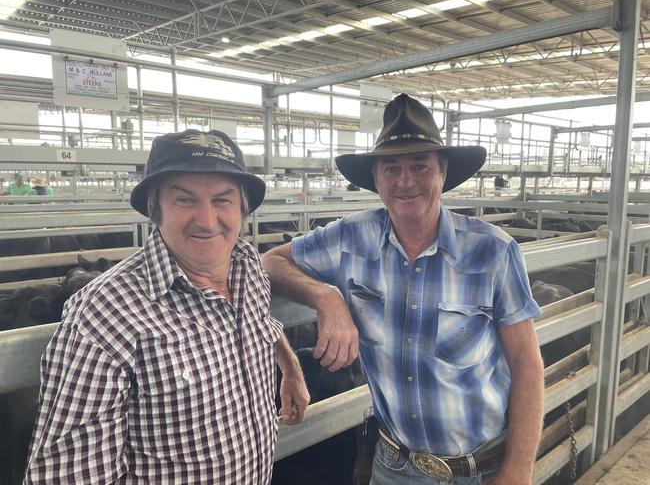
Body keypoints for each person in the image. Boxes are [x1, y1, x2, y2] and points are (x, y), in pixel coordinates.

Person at [262, 94, 544, 484]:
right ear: (376, 179)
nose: (405, 181)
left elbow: (527, 365)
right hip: (396, 465)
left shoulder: (492, 250)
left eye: (420, 166)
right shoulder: (349, 238)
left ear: (443, 173)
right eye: (391, 168)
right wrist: (327, 296)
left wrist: (518, 470)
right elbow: (270, 261)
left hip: (482, 467)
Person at [24, 129, 310, 484]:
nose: (206, 220)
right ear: (154, 208)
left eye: (223, 200)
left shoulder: (247, 265)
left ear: (243, 208)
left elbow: (258, 319)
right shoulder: (104, 315)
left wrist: (290, 364)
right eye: (185, 200)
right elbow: (67, 477)